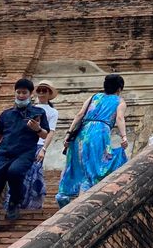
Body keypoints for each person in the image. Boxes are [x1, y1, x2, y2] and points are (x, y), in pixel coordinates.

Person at [0, 78, 49, 233]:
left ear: (30, 94)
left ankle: (15, 201)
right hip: (4, 153)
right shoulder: (6, 114)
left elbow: (45, 134)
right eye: (19, 92)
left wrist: (37, 128)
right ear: (15, 93)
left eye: (24, 93)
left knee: (14, 172)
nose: (21, 95)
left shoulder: (38, 112)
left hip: (25, 153)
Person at [55, 74, 128, 207]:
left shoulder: (94, 97)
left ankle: (63, 196)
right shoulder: (119, 101)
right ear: (119, 89)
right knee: (96, 168)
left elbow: (79, 115)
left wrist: (68, 134)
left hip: (81, 134)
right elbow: (119, 118)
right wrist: (124, 137)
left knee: (77, 166)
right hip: (99, 134)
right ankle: (81, 204)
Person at [4, 79, 60, 213]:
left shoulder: (52, 112)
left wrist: (44, 149)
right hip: (23, 144)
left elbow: (50, 132)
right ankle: (15, 202)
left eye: (44, 90)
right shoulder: (30, 108)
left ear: (49, 93)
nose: (41, 93)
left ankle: (30, 205)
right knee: (19, 173)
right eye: (39, 90)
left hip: (39, 145)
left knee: (33, 174)